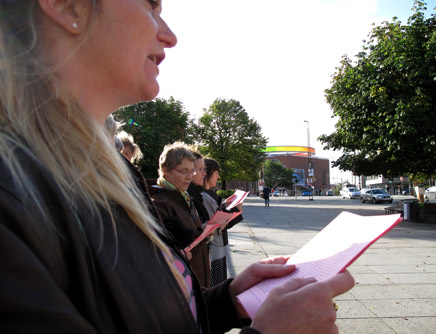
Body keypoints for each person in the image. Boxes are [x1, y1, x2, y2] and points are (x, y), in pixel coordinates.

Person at [0, 1, 355, 333]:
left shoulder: (105, 170)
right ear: (67, 4)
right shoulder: (14, 193)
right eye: (151, 5)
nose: (169, 35)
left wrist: (228, 301)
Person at [150, 142, 211, 287]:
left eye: (191, 171)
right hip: (181, 285)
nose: (189, 177)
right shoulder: (158, 203)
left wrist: (206, 230)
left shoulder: (185, 197)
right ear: (165, 170)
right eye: (184, 171)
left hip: (198, 280)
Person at [203, 158, 243, 286]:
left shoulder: (208, 194)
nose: (218, 176)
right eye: (216, 173)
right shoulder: (204, 196)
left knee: (218, 279)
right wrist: (232, 209)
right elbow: (214, 222)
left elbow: (218, 217)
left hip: (218, 244)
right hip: (214, 246)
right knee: (216, 282)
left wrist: (230, 205)